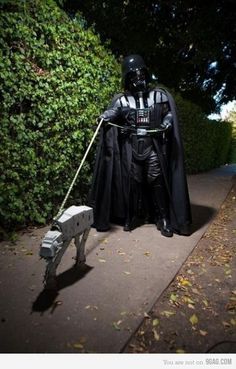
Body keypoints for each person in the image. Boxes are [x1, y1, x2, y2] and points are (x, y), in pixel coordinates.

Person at [89, 54, 192, 237]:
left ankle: (164, 218)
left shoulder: (159, 95)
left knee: (156, 180)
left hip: (153, 147)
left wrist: (167, 123)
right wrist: (106, 116)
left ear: (146, 74)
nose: (139, 80)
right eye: (134, 77)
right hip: (132, 148)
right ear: (128, 79)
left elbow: (168, 113)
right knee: (133, 182)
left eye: (141, 75)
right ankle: (133, 215)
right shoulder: (122, 100)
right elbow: (114, 111)